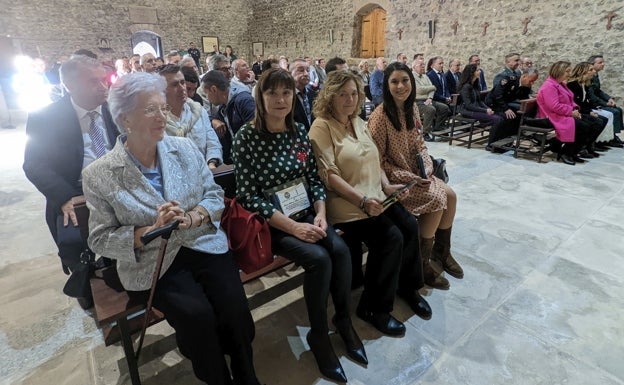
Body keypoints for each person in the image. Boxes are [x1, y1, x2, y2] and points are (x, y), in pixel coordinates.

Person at [82, 72, 260, 385]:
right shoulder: (100, 174)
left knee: (234, 310)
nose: (162, 117)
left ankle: (246, 373)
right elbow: (99, 238)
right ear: (124, 117)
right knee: (197, 317)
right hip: (154, 260)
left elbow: (215, 194)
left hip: (202, 241)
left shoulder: (184, 148)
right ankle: (218, 378)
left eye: (163, 108)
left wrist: (194, 217)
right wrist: (150, 229)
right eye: (150, 110)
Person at [232, 68, 364, 383]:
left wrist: (320, 213)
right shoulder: (246, 138)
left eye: (286, 93)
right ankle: (319, 337)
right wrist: (293, 228)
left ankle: (343, 322)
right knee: (319, 260)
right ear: (260, 97)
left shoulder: (298, 131)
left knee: (341, 251)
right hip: (273, 225)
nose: (280, 100)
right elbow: (249, 198)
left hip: (307, 213)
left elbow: (312, 178)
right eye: (272, 93)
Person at [309, 70, 433, 333]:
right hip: (346, 203)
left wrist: (387, 186)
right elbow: (329, 175)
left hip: (375, 195)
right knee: (390, 239)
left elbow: (374, 158)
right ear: (330, 96)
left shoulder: (358, 121)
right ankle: (373, 307)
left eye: (354, 93)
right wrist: (363, 200)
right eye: (342, 94)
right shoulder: (322, 126)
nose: (349, 99)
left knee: (409, 225)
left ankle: (407, 288)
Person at [23, 55, 119, 308]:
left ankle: (123, 271)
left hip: (117, 183)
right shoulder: (46, 118)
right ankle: (85, 283)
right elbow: (34, 164)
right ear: (70, 85)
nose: (103, 87)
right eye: (93, 82)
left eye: (103, 80)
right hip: (74, 189)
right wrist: (65, 197)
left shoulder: (114, 109)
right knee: (73, 240)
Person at [368, 62, 463, 287]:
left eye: (405, 80)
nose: (401, 86)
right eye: (394, 81)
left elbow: (420, 143)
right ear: (386, 86)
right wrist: (408, 177)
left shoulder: (411, 108)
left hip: (417, 172)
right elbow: (376, 161)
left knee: (451, 196)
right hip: (394, 179)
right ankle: (420, 263)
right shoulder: (380, 117)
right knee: (438, 199)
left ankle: (442, 250)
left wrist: (427, 168)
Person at [536, 61, 603, 165]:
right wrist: (571, 112)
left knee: (595, 122)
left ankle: (573, 150)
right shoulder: (549, 86)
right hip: (552, 115)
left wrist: (575, 109)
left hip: (564, 113)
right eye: (567, 71)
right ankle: (566, 152)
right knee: (583, 126)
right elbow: (554, 106)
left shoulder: (561, 84)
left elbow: (570, 99)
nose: (570, 73)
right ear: (559, 71)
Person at [157, 64, 223, 169]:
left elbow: (212, 141)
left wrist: (211, 162)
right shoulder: (157, 120)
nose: (182, 88)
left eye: (182, 82)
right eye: (174, 85)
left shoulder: (198, 111)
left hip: (206, 172)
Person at [457, 64, 504, 152]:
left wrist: (487, 108)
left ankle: (497, 141)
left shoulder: (475, 84)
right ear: (472, 72)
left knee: (501, 117)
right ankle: (490, 144)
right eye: (478, 70)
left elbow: (479, 101)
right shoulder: (466, 87)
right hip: (468, 111)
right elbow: (468, 105)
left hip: (476, 109)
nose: (480, 72)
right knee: (497, 119)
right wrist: (485, 110)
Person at [566, 62, 609, 156]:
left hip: (583, 110)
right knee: (595, 122)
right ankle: (581, 147)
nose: (594, 71)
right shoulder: (572, 85)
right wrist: (589, 112)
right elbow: (575, 104)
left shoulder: (584, 85)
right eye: (591, 70)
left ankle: (588, 145)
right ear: (583, 72)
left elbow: (585, 102)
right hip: (575, 111)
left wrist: (591, 111)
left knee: (604, 119)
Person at [587, 54, 623, 147]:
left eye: (603, 62)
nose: (603, 64)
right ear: (592, 64)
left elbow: (598, 91)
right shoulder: (589, 76)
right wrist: (605, 103)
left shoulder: (595, 75)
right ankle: (609, 138)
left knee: (618, 110)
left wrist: (609, 98)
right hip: (591, 104)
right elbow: (591, 96)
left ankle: (613, 135)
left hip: (597, 102)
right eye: (600, 62)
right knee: (614, 112)